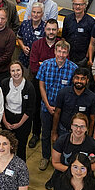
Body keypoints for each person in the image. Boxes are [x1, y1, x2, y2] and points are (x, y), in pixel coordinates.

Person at [37, 40, 78, 171]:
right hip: (46, 107)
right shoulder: (45, 65)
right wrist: (48, 105)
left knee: (63, 135)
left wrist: (60, 110)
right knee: (45, 134)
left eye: (64, 52)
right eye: (59, 51)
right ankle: (45, 156)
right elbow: (41, 85)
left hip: (64, 111)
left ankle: (60, 159)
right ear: (54, 51)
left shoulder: (73, 68)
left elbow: (73, 91)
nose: (61, 54)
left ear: (68, 53)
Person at [50, 113, 95, 190]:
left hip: (84, 179)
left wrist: (82, 170)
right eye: (76, 126)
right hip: (64, 176)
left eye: (82, 126)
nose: (78, 130)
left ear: (86, 128)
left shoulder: (92, 144)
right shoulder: (62, 141)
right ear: (71, 126)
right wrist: (72, 171)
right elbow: (55, 162)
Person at [28, 19, 60, 149]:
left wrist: (43, 64)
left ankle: (53, 133)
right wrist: (51, 64)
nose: (51, 32)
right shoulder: (36, 44)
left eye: (54, 29)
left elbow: (62, 66)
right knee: (36, 109)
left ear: (57, 31)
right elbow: (34, 67)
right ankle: (36, 134)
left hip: (56, 84)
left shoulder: (61, 45)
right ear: (44, 30)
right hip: (37, 82)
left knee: (54, 109)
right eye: (49, 29)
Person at [52, 67, 95, 145]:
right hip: (63, 130)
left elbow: (92, 119)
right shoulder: (63, 93)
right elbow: (57, 113)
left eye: (83, 79)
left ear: (87, 81)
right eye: (77, 78)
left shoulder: (93, 98)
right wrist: (54, 133)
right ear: (73, 79)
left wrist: (89, 137)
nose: (79, 81)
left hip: (81, 133)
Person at [1, 61, 36, 161]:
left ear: (22, 71)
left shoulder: (29, 87)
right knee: (6, 148)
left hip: (23, 121)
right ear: (10, 72)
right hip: (7, 118)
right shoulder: (4, 83)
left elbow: (30, 109)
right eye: (13, 71)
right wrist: (4, 122)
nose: (16, 73)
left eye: (18, 70)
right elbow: (1, 104)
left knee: (20, 149)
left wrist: (19, 124)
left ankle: (20, 173)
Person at [62, 0, 95, 67]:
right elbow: (64, 37)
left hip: (82, 58)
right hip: (68, 56)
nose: (77, 7)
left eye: (80, 4)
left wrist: (87, 57)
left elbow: (92, 42)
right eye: (75, 4)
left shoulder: (91, 22)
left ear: (85, 5)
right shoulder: (67, 19)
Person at [16, 3, 45, 68]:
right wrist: (23, 47)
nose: (35, 15)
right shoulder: (25, 24)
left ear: (42, 14)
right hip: (24, 59)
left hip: (38, 61)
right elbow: (19, 38)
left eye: (38, 13)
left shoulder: (45, 27)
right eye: (34, 12)